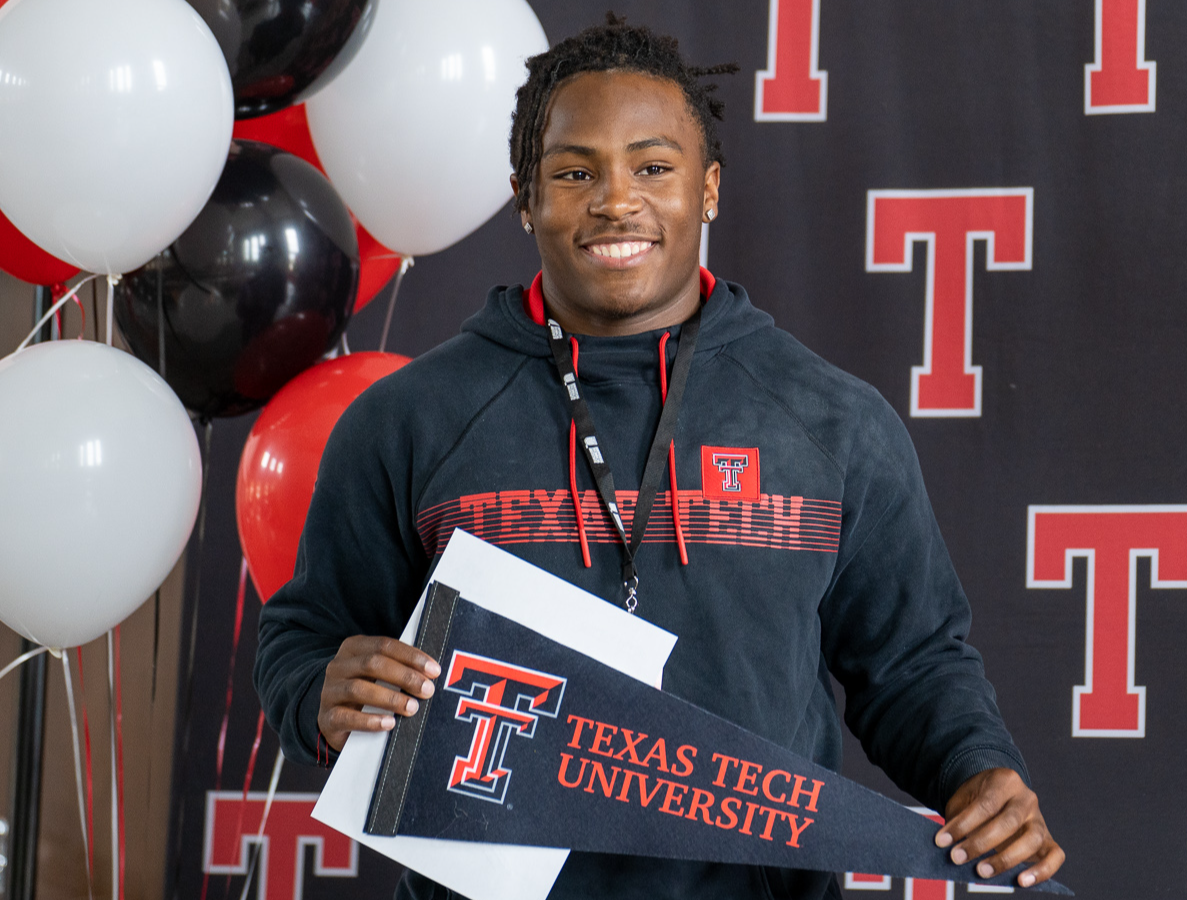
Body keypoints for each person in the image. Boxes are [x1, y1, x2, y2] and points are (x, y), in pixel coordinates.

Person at [253, 16, 1063, 899]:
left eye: (653, 167)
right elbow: (304, 641)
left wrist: (977, 769)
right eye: (573, 173)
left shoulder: (833, 422)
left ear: (708, 190)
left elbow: (911, 664)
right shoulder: (408, 420)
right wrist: (320, 696)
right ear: (525, 196)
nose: (614, 200)